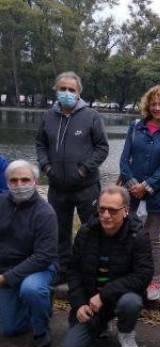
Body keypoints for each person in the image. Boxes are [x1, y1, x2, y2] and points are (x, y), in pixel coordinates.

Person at [61, 185, 153, 347]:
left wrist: (104, 295)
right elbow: (74, 270)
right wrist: (79, 303)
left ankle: (125, 332)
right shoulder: (86, 232)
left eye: (112, 210)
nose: (105, 215)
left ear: (126, 210)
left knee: (131, 302)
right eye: (102, 209)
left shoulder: (138, 236)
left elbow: (143, 275)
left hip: (118, 297)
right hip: (90, 301)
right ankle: (100, 325)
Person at [36, 71, 109, 282]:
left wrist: (84, 169)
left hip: (86, 186)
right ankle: (62, 270)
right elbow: (40, 144)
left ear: (78, 93)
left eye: (71, 89)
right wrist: (46, 167)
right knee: (59, 230)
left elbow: (102, 148)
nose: (66, 93)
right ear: (56, 90)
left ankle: (91, 271)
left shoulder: (91, 116)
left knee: (92, 229)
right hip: (57, 186)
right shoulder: (48, 116)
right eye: (62, 89)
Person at [119, 85, 160, 301]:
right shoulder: (136, 127)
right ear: (147, 105)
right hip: (130, 193)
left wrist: (146, 186)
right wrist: (131, 183)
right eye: (153, 104)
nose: (157, 108)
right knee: (129, 235)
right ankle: (130, 277)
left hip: (156, 193)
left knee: (152, 237)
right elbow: (124, 159)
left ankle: (155, 280)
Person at [0, 160, 58, 347]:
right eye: (14, 180)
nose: (19, 185)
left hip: (40, 267)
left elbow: (43, 256)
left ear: (35, 181)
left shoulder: (45, 213)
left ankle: (41, 331)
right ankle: (30, 304)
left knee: (31, 289)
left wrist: (6, 278)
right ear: (7, 182)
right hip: (7, 266)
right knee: (10, 329)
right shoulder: (1, 203)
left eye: (25, 179)